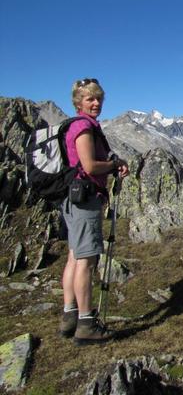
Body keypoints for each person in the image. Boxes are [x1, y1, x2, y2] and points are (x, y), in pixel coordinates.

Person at [59, 78, 129, 345]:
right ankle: (86, 324)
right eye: (90, 99)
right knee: (86, 261)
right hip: (85, 199)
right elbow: (89, 166)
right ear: (79, 102)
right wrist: (112, 167)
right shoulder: (83, 127)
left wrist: (112, 162)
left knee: (75, 258)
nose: (96, 103)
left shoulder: (77, 125)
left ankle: (70, 317)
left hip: (72, 198)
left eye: (99, 98)